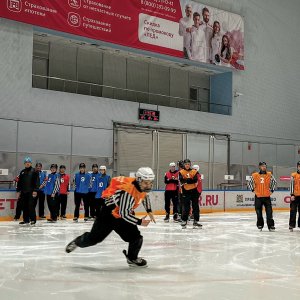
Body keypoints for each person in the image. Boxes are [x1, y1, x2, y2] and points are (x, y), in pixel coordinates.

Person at [65, 167, 156, 268]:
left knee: (136, 237)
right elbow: (124, 213)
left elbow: (144, 196)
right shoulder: (129, 191)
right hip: (107, 215)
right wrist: (139, 222)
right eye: (146, 183)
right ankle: (77, 242)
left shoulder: (141, 187)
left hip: (120, 215)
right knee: (94, 239)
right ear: (139, 180)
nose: (148, 186)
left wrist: (149, 211)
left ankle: (132, 258)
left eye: (150, 183)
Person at [248, 162, 276, 231]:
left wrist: (271, 190)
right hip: (258, 197)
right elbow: (249, 182)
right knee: (259, 212)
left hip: (267, 197)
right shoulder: (255, 175)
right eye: (263, 166)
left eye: (265, 166)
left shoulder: (269, 174)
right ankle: (260, 224)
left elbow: (274, 182)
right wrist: (253, 190)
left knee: (269, 212)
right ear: (259, 167)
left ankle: (271, 226)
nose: (264, 167)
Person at [179, 159, 202, 229]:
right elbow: (181, 180)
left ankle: (196, 221)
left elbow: (195, 180)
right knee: (186, 207)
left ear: (190, 164)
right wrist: (189, 180)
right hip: (185, 191)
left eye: (188, 164)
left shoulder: (194, 171)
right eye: (186, 164)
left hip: (194, 191)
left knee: (195, 206)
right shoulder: (181, 172)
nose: (187, 165)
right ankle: (184, 220)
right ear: (184, 165)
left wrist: (186, 180)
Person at [16, 157, 39, 225]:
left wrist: (35, 190)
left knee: (31, 206)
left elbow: (37, 181)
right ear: (24, 164)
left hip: (31, 192)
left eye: (29, 162)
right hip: (23, 192)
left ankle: (33, 220)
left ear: (31, 163)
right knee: (24, 206)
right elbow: (19, 182)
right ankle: (26, 220)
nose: (27, 163)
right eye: (26, 162)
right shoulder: (22, 172)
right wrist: (18, 191)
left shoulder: (34, 171)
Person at [289, 161, 300, 231]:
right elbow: (291, 185)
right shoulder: (293, 175)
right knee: (293, 211)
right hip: (295, 196)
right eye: (299, 166)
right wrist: (292, 194)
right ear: (297, 167)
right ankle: (291, 225)